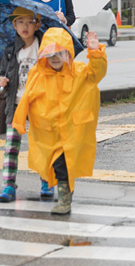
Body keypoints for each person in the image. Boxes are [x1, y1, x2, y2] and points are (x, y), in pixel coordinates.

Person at [12, 27, 107, 215]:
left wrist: (95, 53)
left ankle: (65, 198)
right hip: (48, 132)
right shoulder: (37, 74)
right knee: (54, 165)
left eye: (60, 53)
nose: (55, 58)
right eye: (50, 53)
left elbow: (96, 74)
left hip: (73, 131)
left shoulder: (79, 71)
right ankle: (64, 195)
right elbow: (26, 99)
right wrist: (19, 122)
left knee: (65, 165)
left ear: (68, 53)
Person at [0, 7, 46, 202]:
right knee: (11, 146)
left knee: (41, 145)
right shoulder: (10, 50)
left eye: (30, 22)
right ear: (14, 25)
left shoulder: (44, 46)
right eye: (20, 22)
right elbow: (2, 74)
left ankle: (46, 181)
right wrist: (1, 83)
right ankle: (8, 185)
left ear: (38, 25)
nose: (25, 26)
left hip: (39, 103)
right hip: (15, 104)